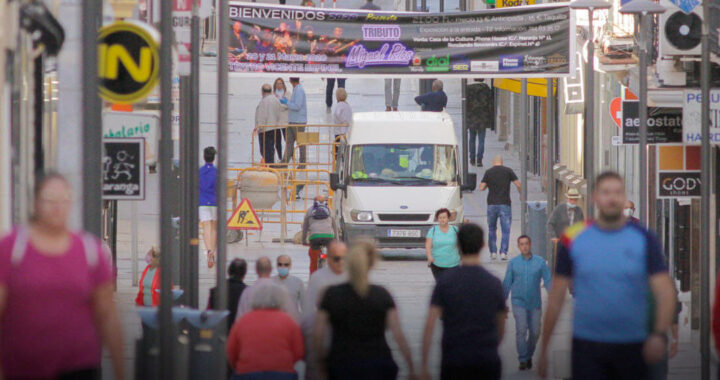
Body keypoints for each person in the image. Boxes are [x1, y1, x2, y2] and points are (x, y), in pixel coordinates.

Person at [538, 171, 677, 380]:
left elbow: (665, 292)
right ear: (594, 197)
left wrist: (658, 334)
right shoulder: (573, 238)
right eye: (606, 192)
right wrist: (544, 349)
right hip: (587, 345)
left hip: (633, 344)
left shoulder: (644, 238)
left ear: (624, 197)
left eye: (618, 192)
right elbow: (556, 297)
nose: (612, 198)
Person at [0, 173, 124, 380]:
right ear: (36, 203)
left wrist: (121, 371)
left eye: (65, 198)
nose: (57, 206)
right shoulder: (12, 248)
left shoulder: (90, 251)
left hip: (79, 366)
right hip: (22, 367)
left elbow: (108, 315)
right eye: (49, 199)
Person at [314, 239, 417, 380]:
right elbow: (398, 335)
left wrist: (319, 365)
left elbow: (318, 335)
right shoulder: (382, 295)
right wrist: (412, 367)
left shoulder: (331, 294)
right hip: (378, 366)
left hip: (341, 366)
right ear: (373, 263)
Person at [421, 223, 507, 380]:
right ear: (483, 245)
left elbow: (429, 325)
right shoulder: (493, 283)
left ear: (458, 245)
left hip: (454, 360)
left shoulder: (445, 282)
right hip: (486, 360)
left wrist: (424, 366)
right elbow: (501, 327)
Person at [227, 284, 304, 380]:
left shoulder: (242, 321)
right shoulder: (289, 321)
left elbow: (231, 351)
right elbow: (298, 352)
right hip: (282, 373)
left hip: (247, 373)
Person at [502, 235, 552, 371]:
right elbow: (507, 283)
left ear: (530, 245)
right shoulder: (513, 263)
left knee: (535, 332)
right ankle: (523, 359)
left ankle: (529, 354)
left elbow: (548, 280)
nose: (524, 246)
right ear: (518, 246)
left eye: (526, 244)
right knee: (521, 330)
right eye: (521, 244)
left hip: (535, 303)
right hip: (518, 302)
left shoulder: (540, 262)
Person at [301, 241, 348, 380]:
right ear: (328, 259)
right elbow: (308, 311)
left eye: (343, 258)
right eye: (336, 259)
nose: (340, 262)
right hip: (323, 338)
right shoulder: (318, 278)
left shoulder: (353, 277)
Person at [479, 155, 521, 260]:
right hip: (505, 204)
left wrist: (489, 184)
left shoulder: (489, 172)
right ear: (502, 162)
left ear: (494, 162)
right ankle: (503, 252)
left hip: (492, 204)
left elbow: (481, 188)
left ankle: (493, 252)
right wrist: (521, 195)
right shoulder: (508, 171)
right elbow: (518, 184)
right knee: (505, 230)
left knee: (492, 229)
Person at [209, 258, 248, 330]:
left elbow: (209, 315)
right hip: (239, 333)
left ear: (229, 272)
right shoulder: (247, 292)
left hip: (219, 333)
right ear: (244, 274)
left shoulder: (215, 291)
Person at [302, 195, 337, 274]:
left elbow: (305, 228)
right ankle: (331, 272)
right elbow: (334, 227)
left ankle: (313, 277)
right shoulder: (329, 210)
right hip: (329, 237)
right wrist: (336, 240)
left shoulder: (310, 210)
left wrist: (304, 240)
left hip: (315, 237)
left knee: (313, 257)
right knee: (331, 256)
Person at [425, 208, 460, 281]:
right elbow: (428, 245)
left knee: (452, 285)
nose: (442, 219)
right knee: (441, 285)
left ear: (448, 218)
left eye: (444, 217)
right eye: (440, 218)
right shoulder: (433, 230)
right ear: (437, 219)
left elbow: (462, 243)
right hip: (437, 263)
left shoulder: (455, 230)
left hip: (454, 264)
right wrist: (429, 256)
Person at [466, 79, 494, 167]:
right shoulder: (486, 89)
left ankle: (472, 159)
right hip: (483, 118)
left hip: (471, 118)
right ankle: (479, 159)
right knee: (481, 139)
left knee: (472, 139)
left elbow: (465, 104)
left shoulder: (468, 88)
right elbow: (491, 104)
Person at [200, 146, 218, 268]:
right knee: (214, 228)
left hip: (202, 202)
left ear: (204, 157)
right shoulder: (217, 171)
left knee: (206, 228)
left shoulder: (199, 171)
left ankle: (209, 251)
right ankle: (213, 251)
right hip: (215, 201)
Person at [256, 83, 283, 165]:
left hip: (265, 130)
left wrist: (259, 128)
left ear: (262, 92)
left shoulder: (263, 102)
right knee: (272, 150)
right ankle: (273, 166)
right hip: (276, 128)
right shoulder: (276, 100)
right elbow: (279, 114)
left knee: (266, 152)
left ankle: (269, 168)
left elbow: (262, 116)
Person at [273, 78, 290, 158]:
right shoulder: (272, 94)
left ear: (283, 84)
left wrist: (281, 105)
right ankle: (280, 157)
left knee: (287, 139)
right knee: (277, 140)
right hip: (275, 121)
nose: (279, 85)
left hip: (285, 120)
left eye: (280, 83)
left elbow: (288, 105)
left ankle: (290, 156)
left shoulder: (287, 93)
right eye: (277, 83)